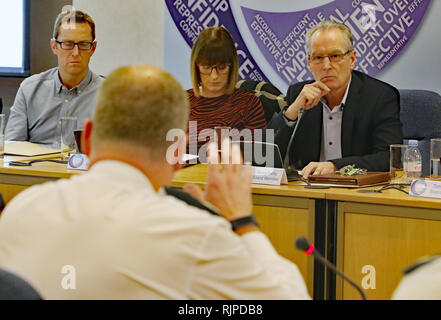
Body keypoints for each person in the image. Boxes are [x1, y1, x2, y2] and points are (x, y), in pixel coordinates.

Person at [0, 65, 310, 300]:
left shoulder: (20, 210)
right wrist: (243, 222)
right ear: (178, 153)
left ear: (89, 138)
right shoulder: (192, 233)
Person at [267, 20, 403, 179]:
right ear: (309, 63)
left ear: (352, 59)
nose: (326, 66)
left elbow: (389, 158)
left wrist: (335, 166)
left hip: (358, 194)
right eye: (318, 57)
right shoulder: (298, 94)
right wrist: (292, 112)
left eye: (335, 56)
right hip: (308, 192)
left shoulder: (380, 96)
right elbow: (265, 155)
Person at [5, 9, 104, 146]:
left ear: (93, 48)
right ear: (54, 47)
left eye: (83, 44)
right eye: (68, 44)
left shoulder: (108, 95)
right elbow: (12, 148)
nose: (75, 53)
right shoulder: (29, 89)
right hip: (33, 168)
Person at [187, 26, 266, 154]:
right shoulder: (181, 103)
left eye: (222, 67)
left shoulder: (249, 104)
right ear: (196, 66)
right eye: (206, 67)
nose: (214, 76)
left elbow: (258, 158)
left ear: (232, 66)